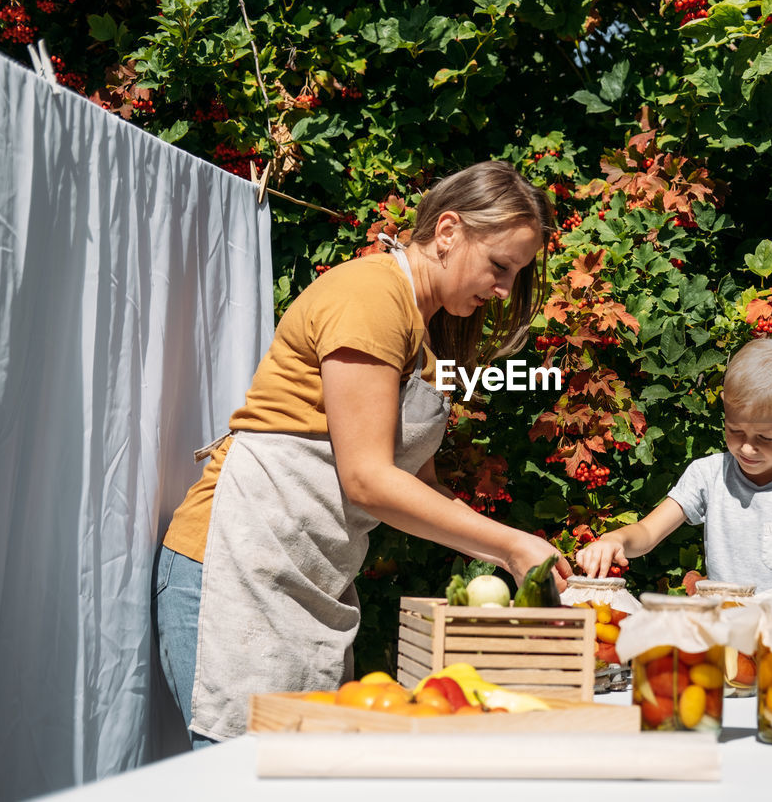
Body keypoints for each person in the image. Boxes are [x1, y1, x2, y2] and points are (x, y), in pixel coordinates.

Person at [154, 160, 572, 745]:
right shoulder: (370, 296)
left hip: (309, 581)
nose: (503, 289)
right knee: (247, 777)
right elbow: (369, 480)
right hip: (237, 569)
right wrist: (508, 545)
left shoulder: (427, 338)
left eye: (516, 273)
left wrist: (516, 554)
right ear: (447, 232)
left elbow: (418, 487)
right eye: (500, 266)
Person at [575, 338, 772, 688]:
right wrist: (615, 539)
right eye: (734, 430)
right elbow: (648, 534)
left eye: (766, 438)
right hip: (725, 662)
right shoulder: (708, 475)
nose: (747, 447)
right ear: (725, 408)